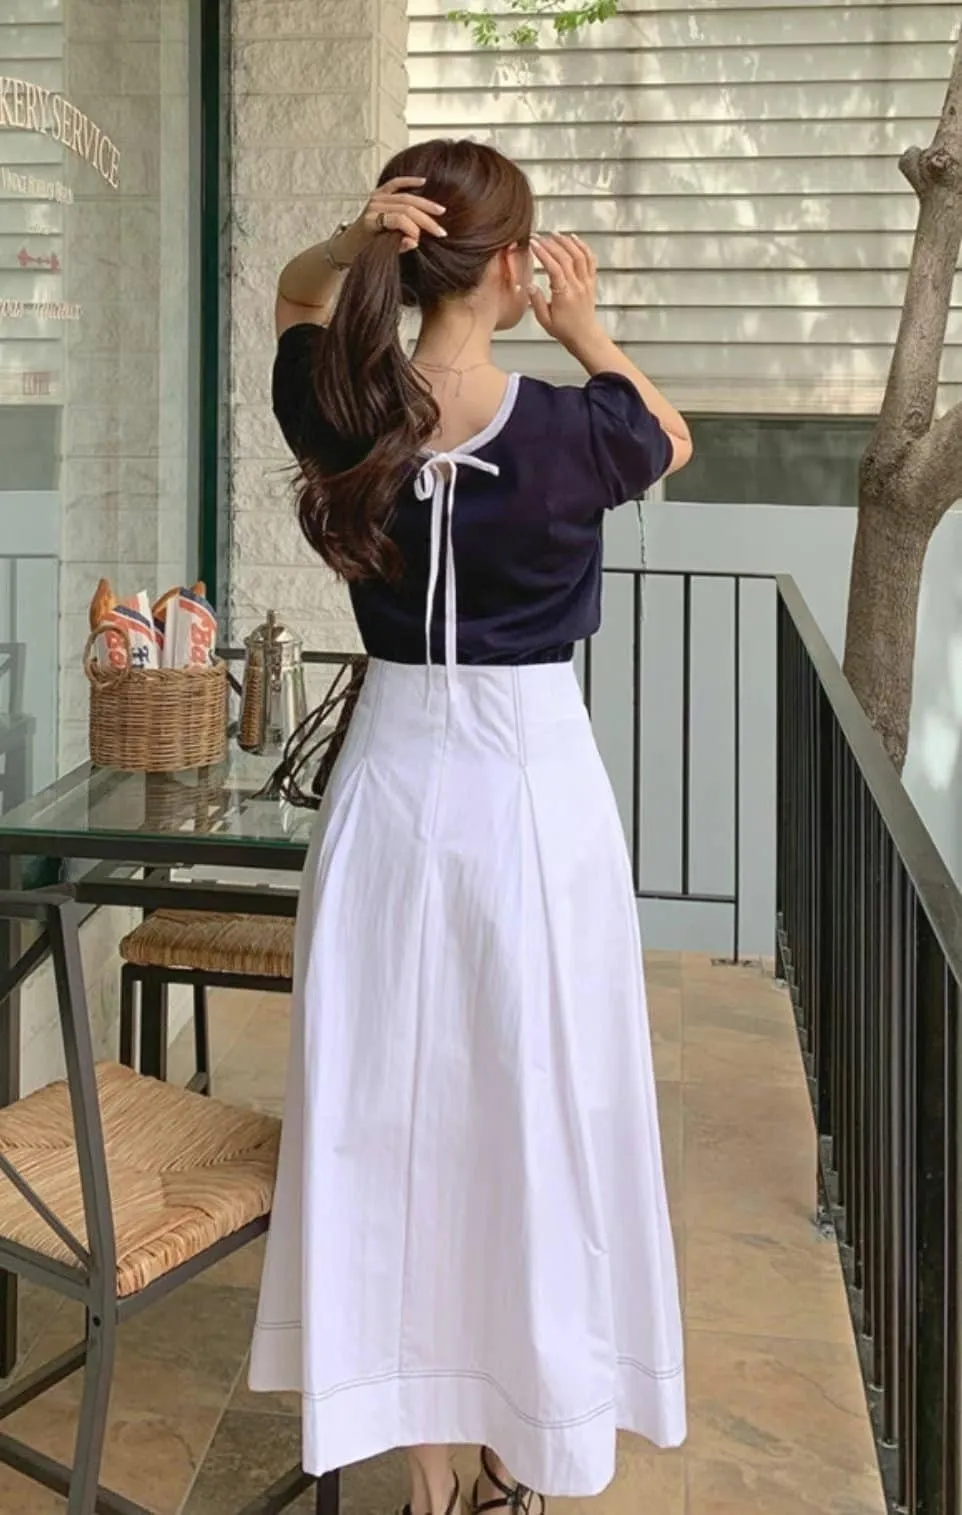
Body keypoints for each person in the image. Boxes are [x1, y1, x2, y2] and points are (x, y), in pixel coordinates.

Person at [249, 138, 692, 1515]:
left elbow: (293, 295)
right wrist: (582, 325)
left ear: (404, 254)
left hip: (390, 783)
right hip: (531, 791)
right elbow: (669, 436)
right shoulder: (574, 428)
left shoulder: (343, 403)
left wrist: (348, 245)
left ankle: (429, 1469)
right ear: (510, 264)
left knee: (385, 1111)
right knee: (534, 1104)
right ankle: (518, 1430)